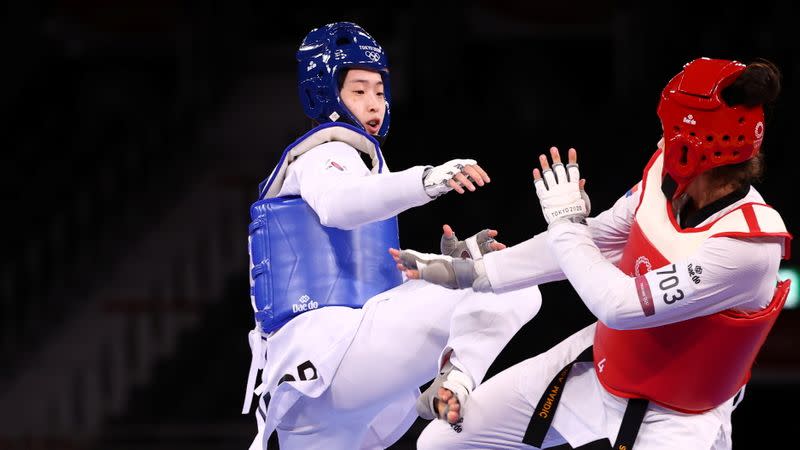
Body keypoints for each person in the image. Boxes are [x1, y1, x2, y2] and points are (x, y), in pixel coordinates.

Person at [395, 57, 792, 449]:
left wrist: (566, 224)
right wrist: (474, 272)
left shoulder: (748, 247)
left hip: (678, 417)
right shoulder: (662, 176)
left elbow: (617, 304)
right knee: (441, 442)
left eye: (667, 131)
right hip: (604, 365)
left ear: (692, 148)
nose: (659, 142)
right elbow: (597, 241)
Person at [241, 22, 543, 450]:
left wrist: (443, 267)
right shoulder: (326, 151)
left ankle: (451, 381)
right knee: (516, 282)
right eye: (359, 91)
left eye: (380, 92)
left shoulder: (363, 169)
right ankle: (456, 379)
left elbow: (363, 273)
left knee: (487, 278)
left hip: (312, 390)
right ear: (325, 94)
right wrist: (428, 180)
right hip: (333, 353)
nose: (374, 103)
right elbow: (340, 206)